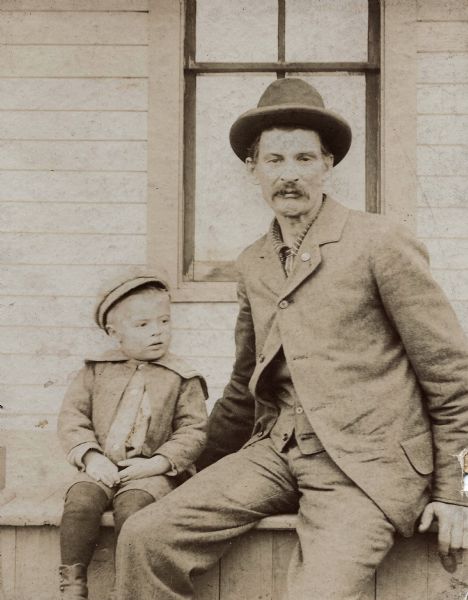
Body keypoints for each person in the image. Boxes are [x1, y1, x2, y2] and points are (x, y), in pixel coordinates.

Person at [115, 78, 468, 600]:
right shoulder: (254, 261)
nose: (290, 175)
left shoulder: (379, 242)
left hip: (366, 469)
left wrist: (456, 494)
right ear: (252, 169)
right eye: (274, 160)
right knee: (145, 538)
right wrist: (190, 469)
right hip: (274, 451)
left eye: (304, 158)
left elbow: (451, 374)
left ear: (328, 165)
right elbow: (242, 383)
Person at [57, 272, 208, 600]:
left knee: (135, 511)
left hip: (150, 473)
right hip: (101, 467)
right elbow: (73, 418)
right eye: (143, 325)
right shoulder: (95, 371)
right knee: (80, 502)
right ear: (115, 333)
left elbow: (193, 431)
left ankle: (126, 588)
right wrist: (91, 457)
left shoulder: (182, 378)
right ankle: (72, 583)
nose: (157, 331)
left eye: (164, 321)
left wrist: (156, 464)